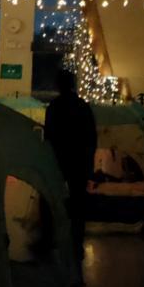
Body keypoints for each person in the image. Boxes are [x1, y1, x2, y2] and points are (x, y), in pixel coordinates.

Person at [44, 69, 97, 269]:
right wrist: (89, 164)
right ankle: (76, 243)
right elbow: (91, 138)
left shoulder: (54, 107)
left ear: (59, 85)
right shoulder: (82, 107)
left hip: (59, 160)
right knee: (78, 204)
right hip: (79, 161)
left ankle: (50, 239)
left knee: (52, 199)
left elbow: (49, 136)